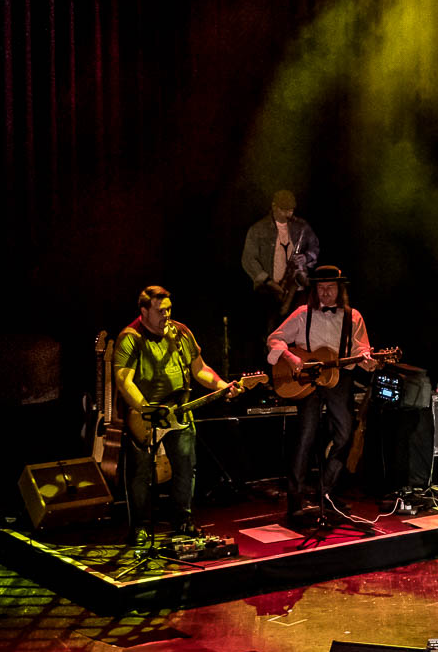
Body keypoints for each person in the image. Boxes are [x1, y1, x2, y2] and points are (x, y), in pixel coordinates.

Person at [113, 285, 239, 544]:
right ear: (144, 311)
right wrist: (146, 409)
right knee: (140, 474)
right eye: (160, 311)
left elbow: (199, 369)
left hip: (180, 412)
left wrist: (221, 385)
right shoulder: (130, 337)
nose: (166, 316)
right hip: (146, 415)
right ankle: (140, 527)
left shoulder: (180, 332)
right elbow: (123, 380)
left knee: (185, 468)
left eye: (169, 310)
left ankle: (183, 521)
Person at [266, 265, 374, 526]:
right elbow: (274, 339)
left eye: (330, 288)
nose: (325, 293)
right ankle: (295, 501)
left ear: (340, 289)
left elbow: (362, 350)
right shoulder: (303, 313)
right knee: (305, 438)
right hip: (308, 380)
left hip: (339, 379)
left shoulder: (353, 316)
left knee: (345, 434)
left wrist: (368, 360)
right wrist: (291, 357)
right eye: (321, 288)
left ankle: (326, 491)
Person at [242, 189, 320, 323]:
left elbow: (315, 247)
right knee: (271, 329)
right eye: (284, 210)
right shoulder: (258, 229)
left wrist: (306, 258)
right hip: (268, 291)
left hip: (297, 291)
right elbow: (248, 259)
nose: (288, 214)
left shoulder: (302, 226)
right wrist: (268, 281)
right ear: (274, 207)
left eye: (291, 210)